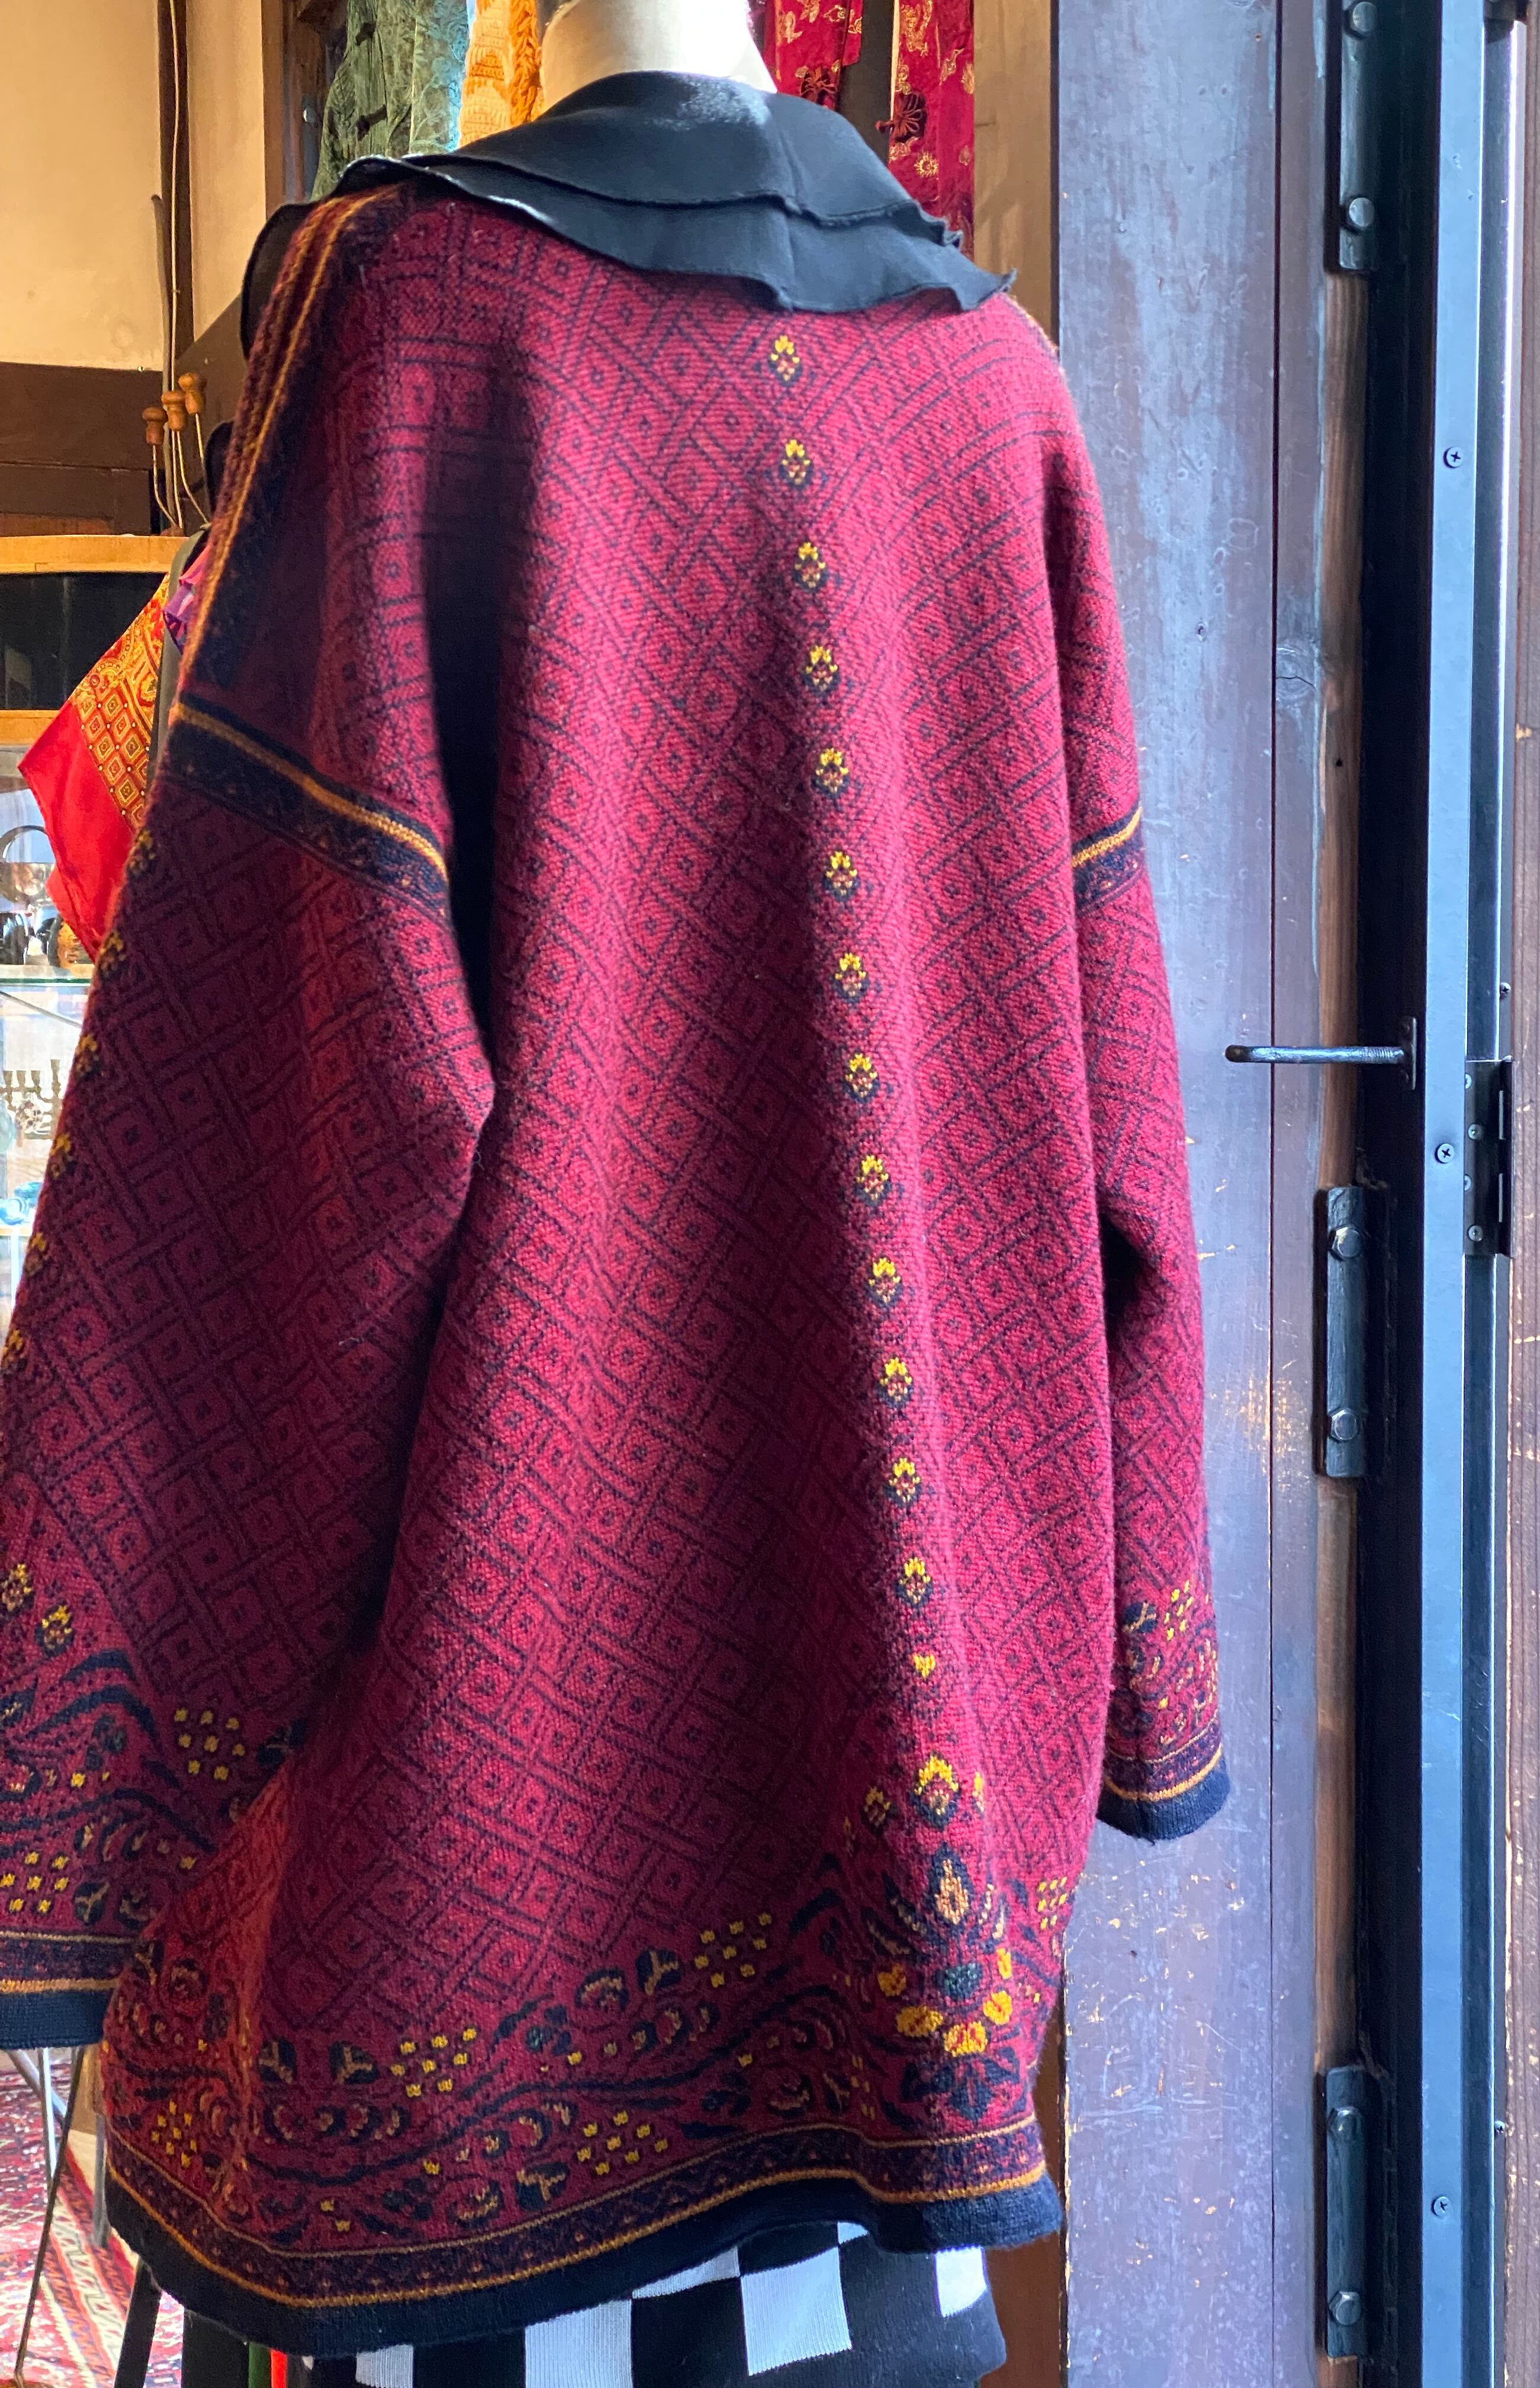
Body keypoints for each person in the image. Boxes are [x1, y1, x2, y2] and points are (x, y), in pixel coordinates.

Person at [0, 1, 1223, 2371]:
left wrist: (83, 1749)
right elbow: (1122, 1136)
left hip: (472, 1936)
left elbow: (269, 1143)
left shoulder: (420, 315)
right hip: (908, 1885)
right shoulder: (999, 389)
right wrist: (1141, 1659)